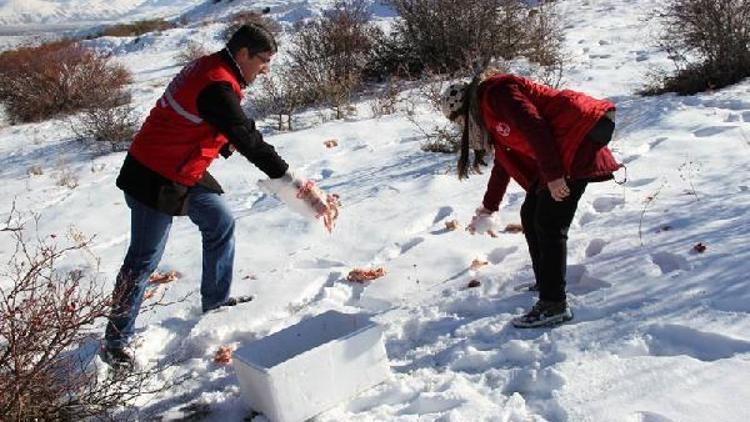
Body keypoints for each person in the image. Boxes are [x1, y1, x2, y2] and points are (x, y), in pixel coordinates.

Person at [102, 23, 333, 369]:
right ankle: (116, 340)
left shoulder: (215, 70)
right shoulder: (216, 84)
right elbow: (247, 138)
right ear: (243, 54)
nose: (266, 69)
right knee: (143, 260)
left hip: (183, 167)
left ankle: (215, 303)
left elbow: (211, 124)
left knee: (220, 220)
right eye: (264, 60)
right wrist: (297, 183)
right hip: (153, 173)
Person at [441, 72, 620, 328]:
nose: (462, 128)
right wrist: (488, 208)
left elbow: (534, 125)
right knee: (530, 213)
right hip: (566, 143)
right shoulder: (493, 117)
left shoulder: (497, 95)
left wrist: (555, 175)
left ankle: (554, 304)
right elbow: (503, 166)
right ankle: (546, 283)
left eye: (460, 121)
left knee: (549, 222)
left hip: (579, 134)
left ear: (466, 108)